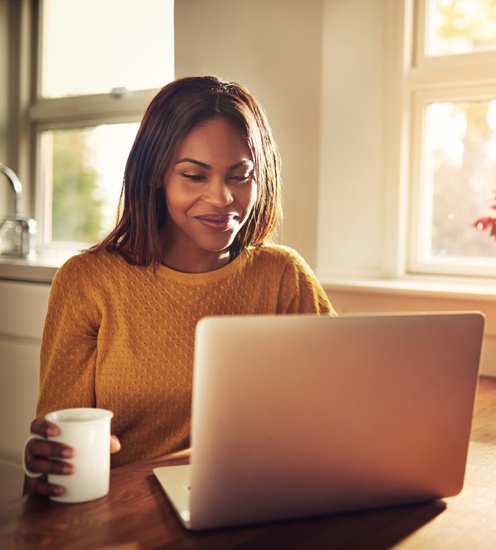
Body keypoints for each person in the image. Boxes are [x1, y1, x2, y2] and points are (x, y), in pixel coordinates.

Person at [23, 76, 335, 498]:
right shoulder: (89, 281)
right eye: (194, 176)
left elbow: (341, 409)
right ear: (155, 174)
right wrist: (48, 464)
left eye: (240, 176)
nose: (222, 198)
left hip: (253, 501)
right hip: (123, 517)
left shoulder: (283, 277)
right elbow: (55, 454)